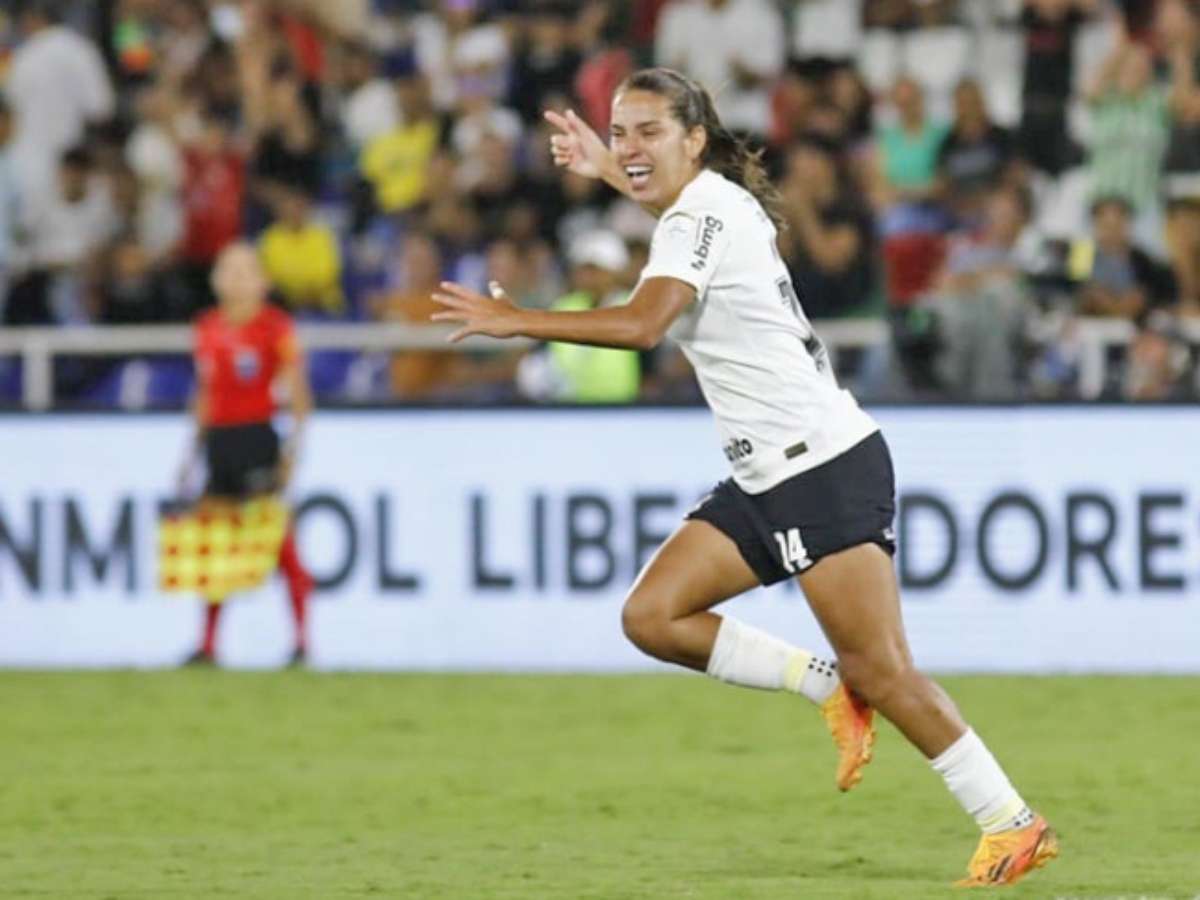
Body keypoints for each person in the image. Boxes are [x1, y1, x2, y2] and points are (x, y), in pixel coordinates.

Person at [430, 67, 1059, 888]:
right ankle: (826, 686)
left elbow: (644, 324)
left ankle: (1012, 823)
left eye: (647, 132)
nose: (631, 147)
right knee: (653, 615)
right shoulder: (707, 204)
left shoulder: (701, 212)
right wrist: (611, 172)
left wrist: (521, 320)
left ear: (694, 139)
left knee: (886, 670)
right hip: (768, 474)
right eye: (620, 132)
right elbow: (671, 222)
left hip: (820, 467)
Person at [181, 243, 314, 666]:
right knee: (214, 545)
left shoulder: (276, 327)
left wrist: (293, 449)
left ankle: (301, 642)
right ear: (215, 279)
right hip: (220, 443)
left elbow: (298, 395)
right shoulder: (205, 327)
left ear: (263, 282)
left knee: (277, 543)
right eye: (228, 270)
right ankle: (208, 645)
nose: (236, 279)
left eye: (245, 270)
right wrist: (190, 452)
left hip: (258, 439)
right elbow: (205, 393)